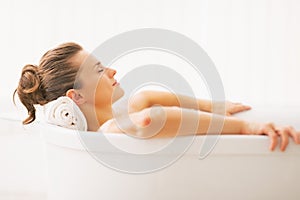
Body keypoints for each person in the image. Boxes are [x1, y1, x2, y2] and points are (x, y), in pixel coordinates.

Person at [14, 42, 300, 152]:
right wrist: (247, 128)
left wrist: (215, 106)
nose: (112, 70)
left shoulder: (118, 119)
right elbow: (152, 118)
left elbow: (146, 99)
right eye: (99, 69)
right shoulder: (112, 130)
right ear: (76, 97)